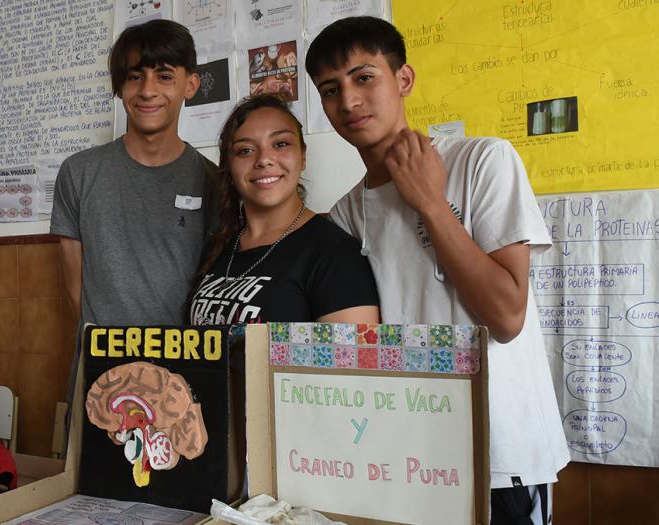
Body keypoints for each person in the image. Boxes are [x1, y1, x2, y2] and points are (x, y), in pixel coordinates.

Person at [306, 16, 568, 524]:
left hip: (500, 456)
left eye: (364, 78)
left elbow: (506, 317)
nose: (349, 102)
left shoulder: (483, 161)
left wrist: (429, 201)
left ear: (403, 80)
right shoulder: (346, 214)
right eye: (330, 90)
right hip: (409, 457)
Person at [51, 20, 215, 327]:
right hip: (103, 366)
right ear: (119, 87)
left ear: (190, 85)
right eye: (134, 77)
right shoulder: (78, 173)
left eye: (164, 76)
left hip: (184, 365)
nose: (147, 91)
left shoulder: (214, 182)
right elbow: (77, 294)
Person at [190, 94, 379, 324]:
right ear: (229, 167)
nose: (264, 160)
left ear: (303, 156)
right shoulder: (219, 244)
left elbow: (352, 358)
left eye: (280, 144)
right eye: (245, 150)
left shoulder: (336, 254)